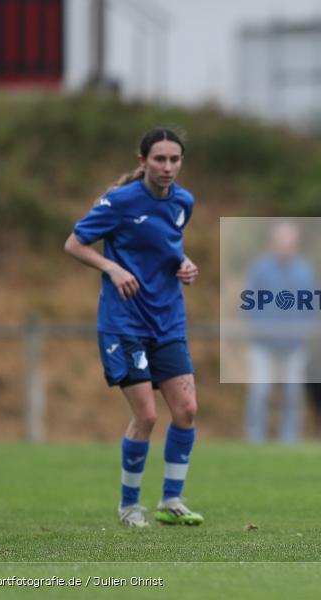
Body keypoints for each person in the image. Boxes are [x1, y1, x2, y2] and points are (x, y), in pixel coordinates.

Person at [64, 128, 204, 528]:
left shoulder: (183, 201)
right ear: (143, 161)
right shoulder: (120, 202)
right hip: (124, 322)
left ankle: (171, 500)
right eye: (159, 159)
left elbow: (166, 246)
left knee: (187, 410)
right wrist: (112, 268)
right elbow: (74, 243)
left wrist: (184, 264)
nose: (167, 167)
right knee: (146, 415)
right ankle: (129, 506)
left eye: (174, 159)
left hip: (168, 320)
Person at [243, 221, 317, 443]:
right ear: (273, 242)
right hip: (262, 344)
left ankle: (289, 439)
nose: (286, 246)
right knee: (260, 392)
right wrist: (260, 328)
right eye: (282, 241)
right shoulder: (260, 269)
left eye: (290, 242)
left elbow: (312, 305)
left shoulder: (305, 271)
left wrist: (304, 330)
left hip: (295, 344)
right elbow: (249, 302)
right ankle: (255, 438)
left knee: (293, 394)